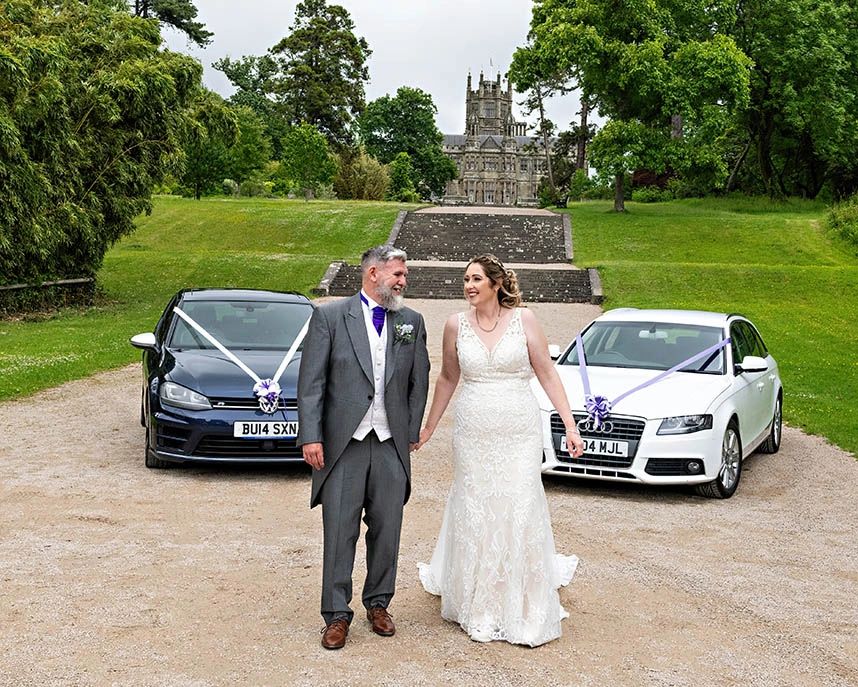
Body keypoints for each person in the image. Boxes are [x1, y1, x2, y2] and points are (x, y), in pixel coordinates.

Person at [415, 254, 584, 647]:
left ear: (495, 283)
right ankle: (477, 597)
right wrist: (428, 427)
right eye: (465, 280)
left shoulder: (525, 320)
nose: (469, 286)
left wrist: (570, 425)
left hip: (519, 431)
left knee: (519, 501)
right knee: (475, 503)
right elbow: (447, 377)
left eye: (476, 279)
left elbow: (546, 371)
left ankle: (519, 595)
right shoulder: (455, 324)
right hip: (473, 432)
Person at [298, 244, 430, 650]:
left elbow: (419, 379)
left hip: (390, 443)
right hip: (344, 444)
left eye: (404, 274)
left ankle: (378, 603)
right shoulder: (329, 317)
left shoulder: (411, 320)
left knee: (388, 528)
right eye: (398, 274)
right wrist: (311, 435)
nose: (403, 280)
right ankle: (336, 615)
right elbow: (312, 382)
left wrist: (410, 429)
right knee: (340, 530)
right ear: (373, 273)